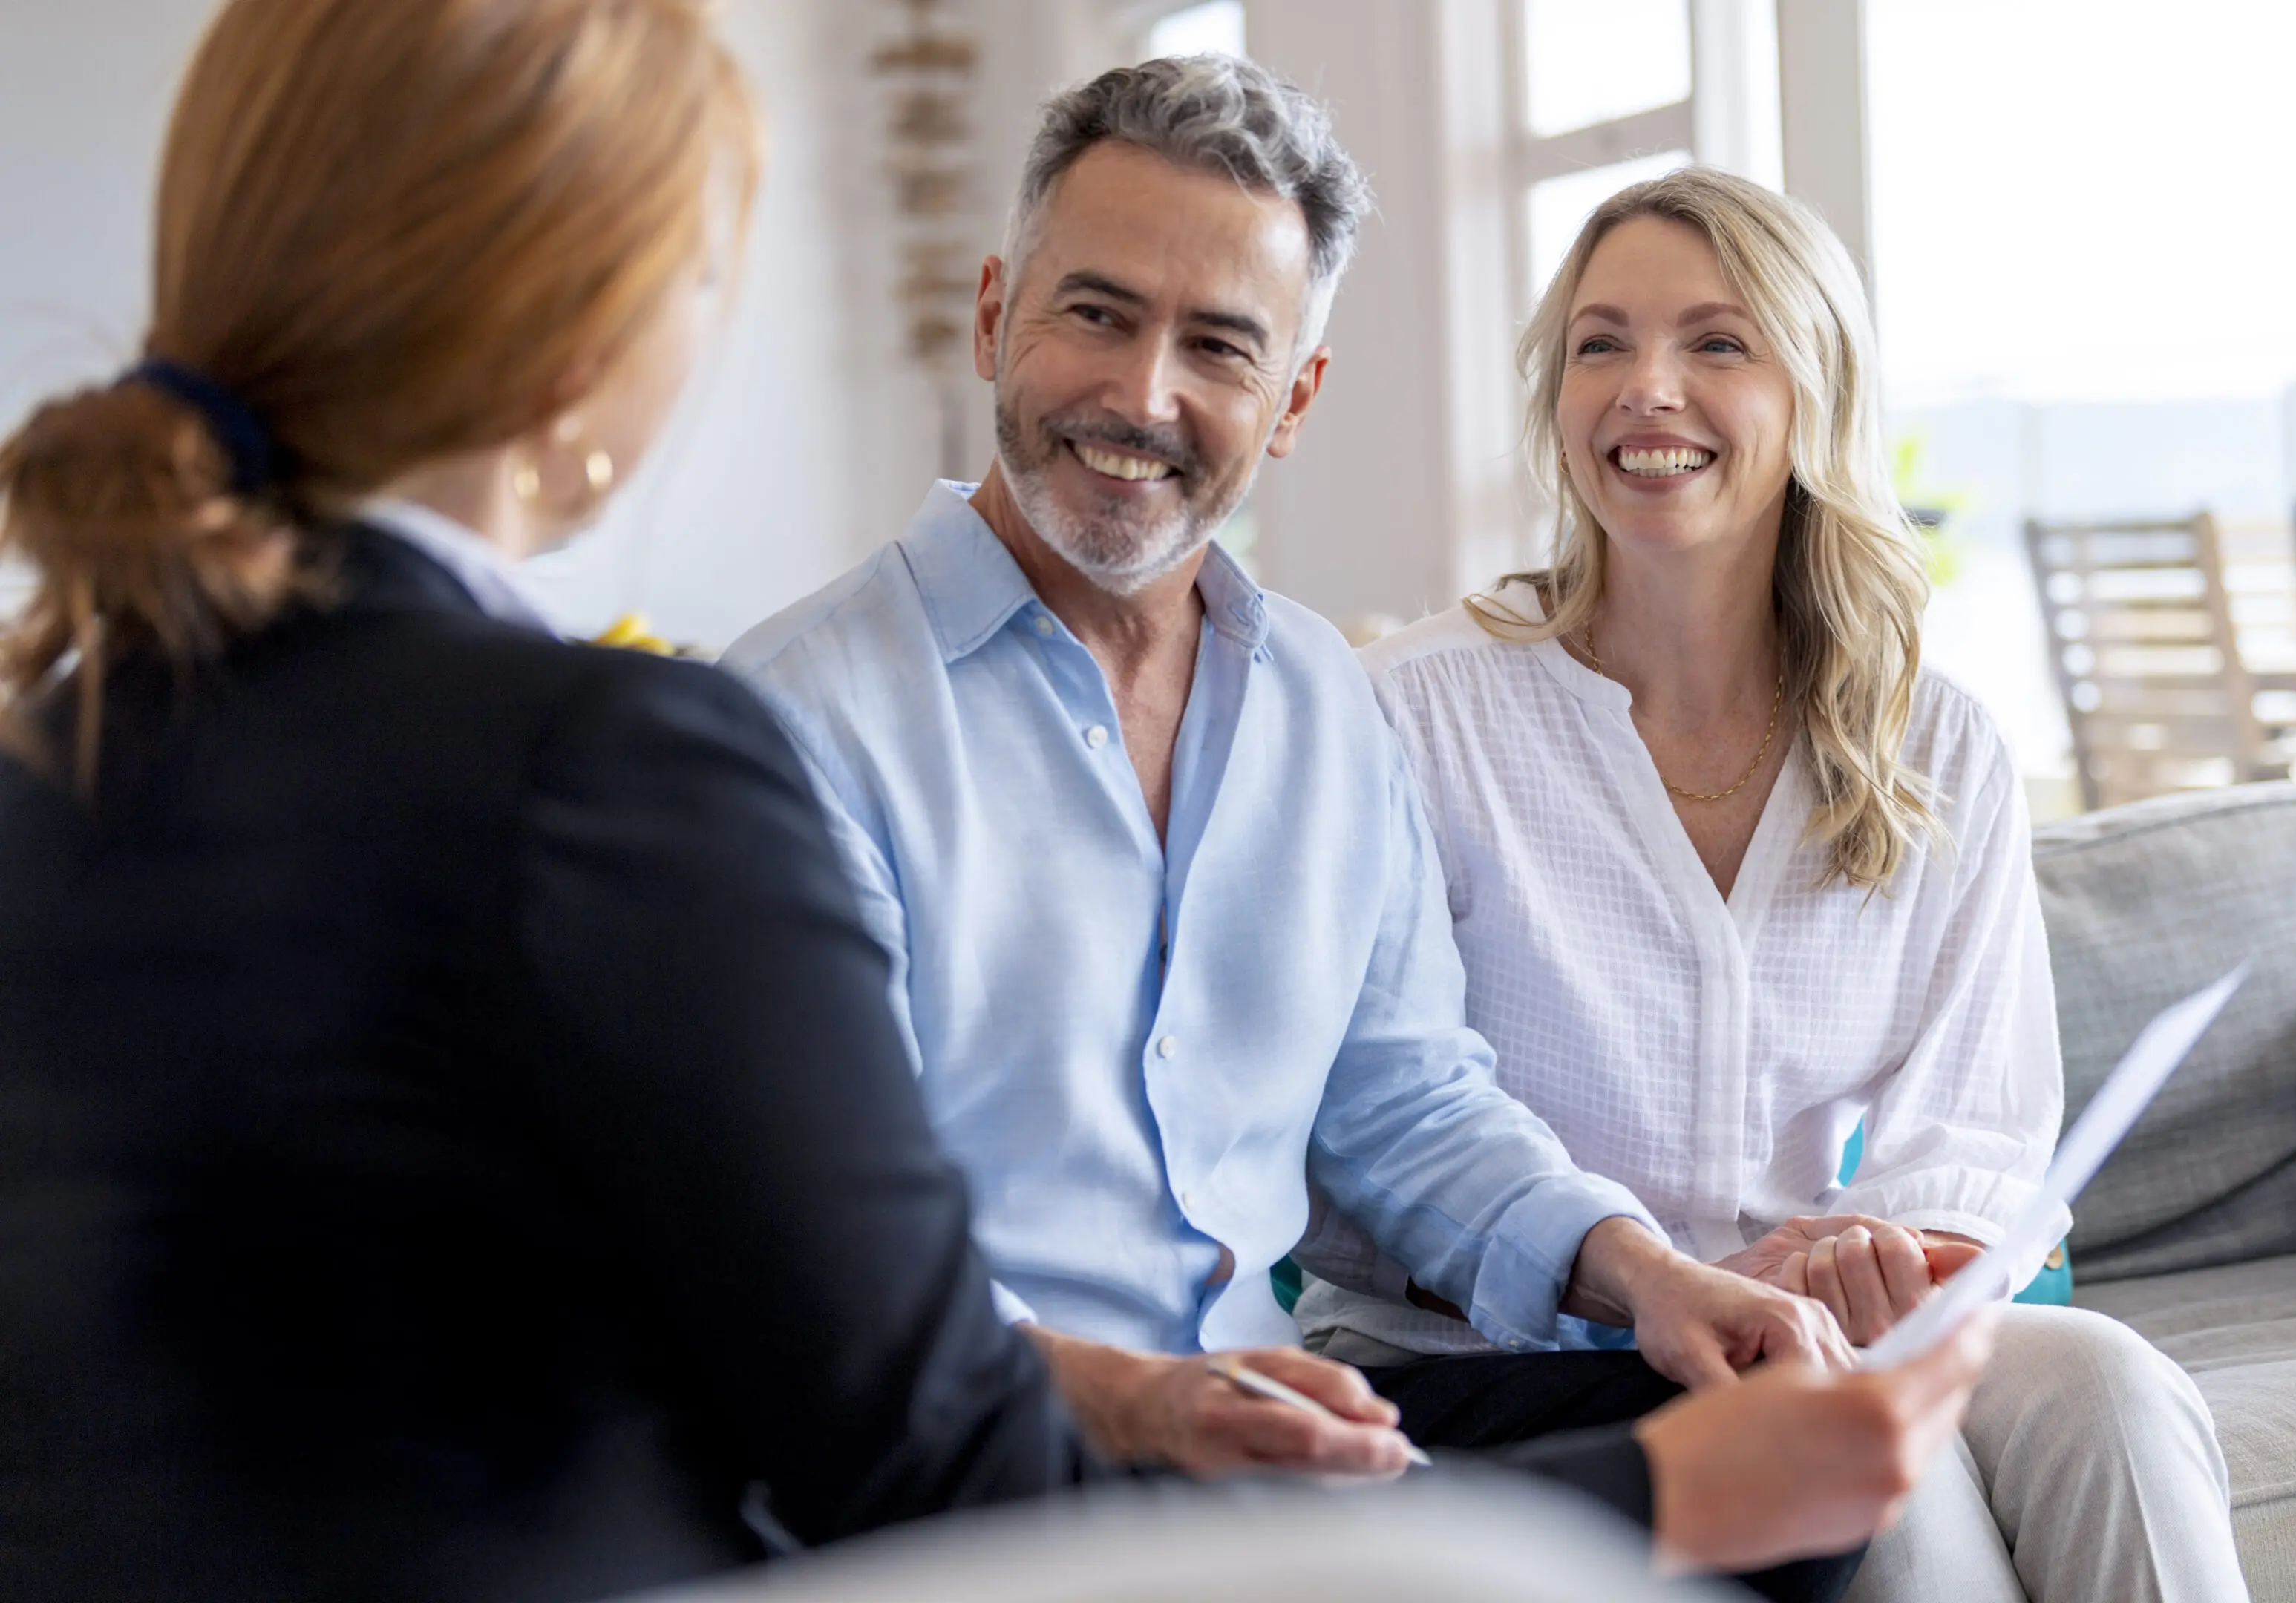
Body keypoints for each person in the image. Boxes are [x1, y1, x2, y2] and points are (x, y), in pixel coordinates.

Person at [727, 55, 1989, 1600]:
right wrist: (1145, 1405)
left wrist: (1655, 1280)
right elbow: (813, 1280)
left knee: (1781, 1468)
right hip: (986, 1469)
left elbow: (1413, 1112)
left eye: (1220, 346)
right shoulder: (784, 730)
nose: (1144, 396)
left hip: (1275, 1437)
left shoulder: (1322, 704)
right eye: (1099, 314)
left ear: (1295, 399)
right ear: (996, 316)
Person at [0, 2, 1101, 1597]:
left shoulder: (46, 757)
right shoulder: (609, 767)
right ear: (582, 328)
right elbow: (950, 1480)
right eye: (702, 269)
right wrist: (1575, 1486)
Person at [1292, 168, 2251, 1603]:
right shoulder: (1412, 716)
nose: (1647, 389)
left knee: (2117, 1388)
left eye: (1716, 343)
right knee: (1881, 1474)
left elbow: (1983, 1126)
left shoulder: (1934, 741)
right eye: (1601, 342)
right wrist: (1647, 1279)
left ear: (1817, 391)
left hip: (1813, 1324)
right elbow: (1351, 1138)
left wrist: (1888, 1250)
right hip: (1503, 1358)